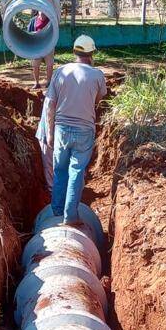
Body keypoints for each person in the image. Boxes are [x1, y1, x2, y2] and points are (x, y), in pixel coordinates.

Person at [43, 34, 107, 224]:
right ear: (92, 53)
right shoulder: (98, 75)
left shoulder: (60, 72)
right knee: (76, 171)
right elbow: (98, 99)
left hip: (61, 129)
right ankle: (70, 216)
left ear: (74, 52)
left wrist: (49, 132)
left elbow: (50, 104)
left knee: (60, 170)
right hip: (84, 131)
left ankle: (56, 211)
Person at [29, 10, 54, 90]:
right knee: (35, 65)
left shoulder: (51, 20)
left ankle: (49, 82)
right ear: (38, 12)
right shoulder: (33, 20)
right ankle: (36, 83)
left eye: (44, 13)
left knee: (49, 64)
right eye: (41, 13)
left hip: (48, 45)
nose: (43, 15)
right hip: (37, 46)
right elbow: (29, 32)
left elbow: (54, 31)